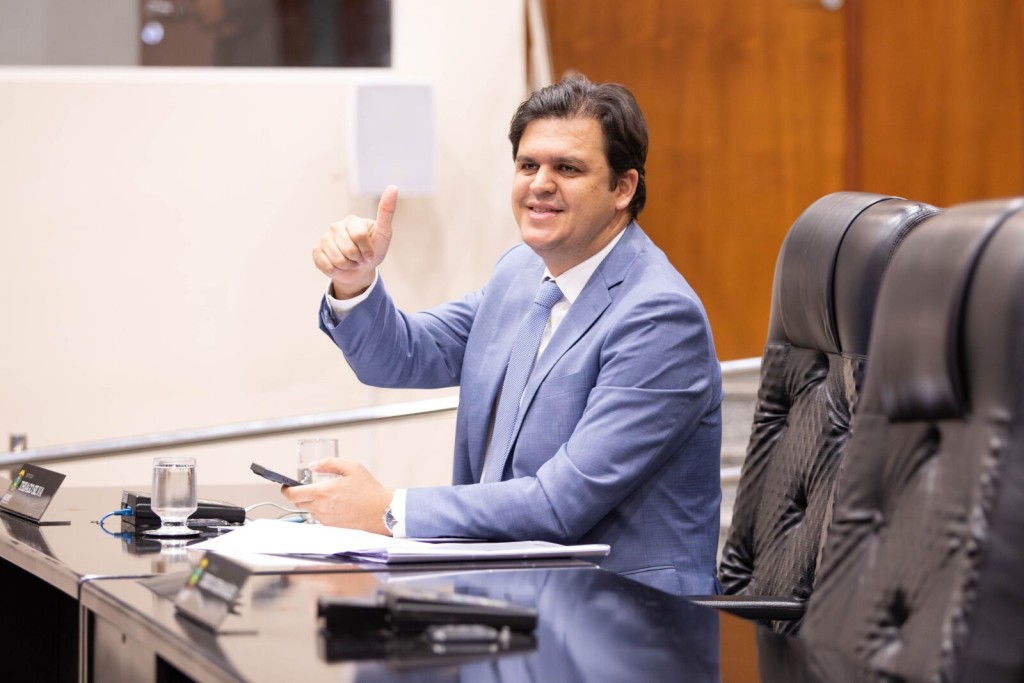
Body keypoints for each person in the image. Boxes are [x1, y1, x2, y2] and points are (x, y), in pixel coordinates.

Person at [285, 74, 723, 596]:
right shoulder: (520, 272)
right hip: (508, 592)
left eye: (568, 168)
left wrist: (388, 509)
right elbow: (400, 357)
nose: (540, 184)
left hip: (624, 611)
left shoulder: (659, 316)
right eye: (528, 165)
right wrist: (355, 282)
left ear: (622, 189)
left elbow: (559, 504)